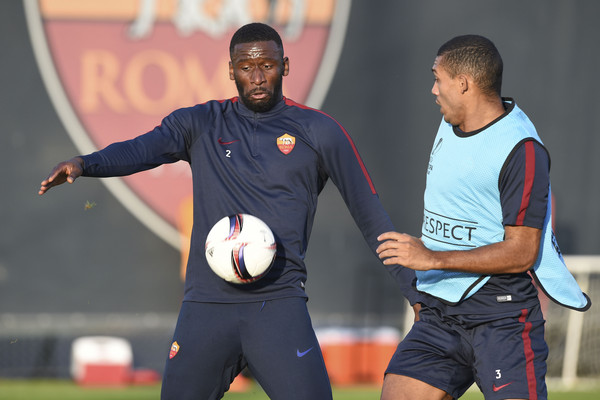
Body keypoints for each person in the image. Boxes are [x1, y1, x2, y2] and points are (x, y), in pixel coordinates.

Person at [39, 23, 419, 399]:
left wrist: (415, 294)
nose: (257, 77)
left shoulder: (318, 131)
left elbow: (370, 214)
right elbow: (141, 149)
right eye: (245, 67)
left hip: (278, 304)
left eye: (267, 66)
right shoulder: (201, 123)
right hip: (206, 305)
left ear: (285, 66)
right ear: (231, 70)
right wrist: (84, 163)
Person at [376, 35, 590, 400]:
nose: (433, 89)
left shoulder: (521, 149)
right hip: (439, 315)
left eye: (438, 78)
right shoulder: (449, 122)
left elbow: (522, 252)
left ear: (463, 84)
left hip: (502, 318)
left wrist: (431, 258)